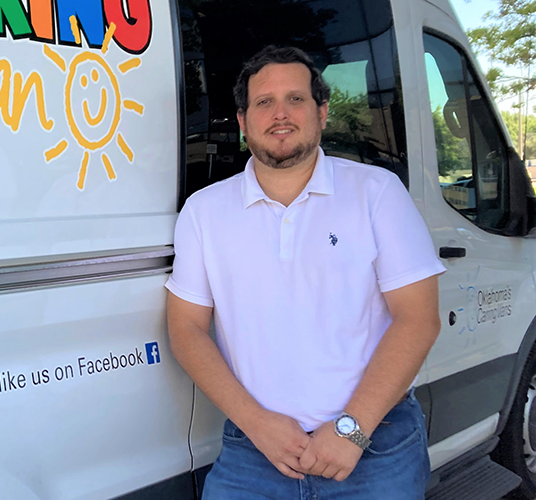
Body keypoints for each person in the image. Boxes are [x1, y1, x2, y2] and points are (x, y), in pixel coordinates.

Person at [165, 45, 445, 499]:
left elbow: (418, 318)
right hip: (254, 451)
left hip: (375, 447)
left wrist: (352, 430)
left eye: (296, 99)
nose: (280, 114)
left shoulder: (376, 193)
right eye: (264, 102)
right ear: (242, 121)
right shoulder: (203, 212)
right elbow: (186, 329)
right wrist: (257, 425)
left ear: (322, 112)